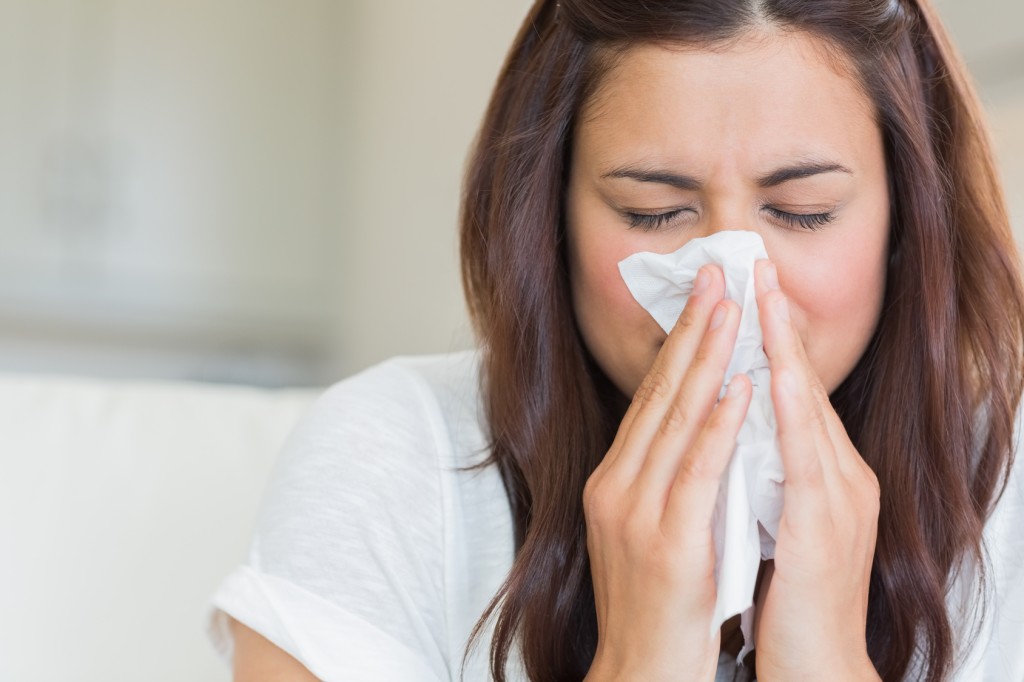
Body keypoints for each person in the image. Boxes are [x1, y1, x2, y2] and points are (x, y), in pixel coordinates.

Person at [206, 0, 1024, 680]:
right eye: (653, 213)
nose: (727, 289)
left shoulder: (1010, 488)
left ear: (907, 225)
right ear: (548, 220)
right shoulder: (391, 455)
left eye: (803, 211)